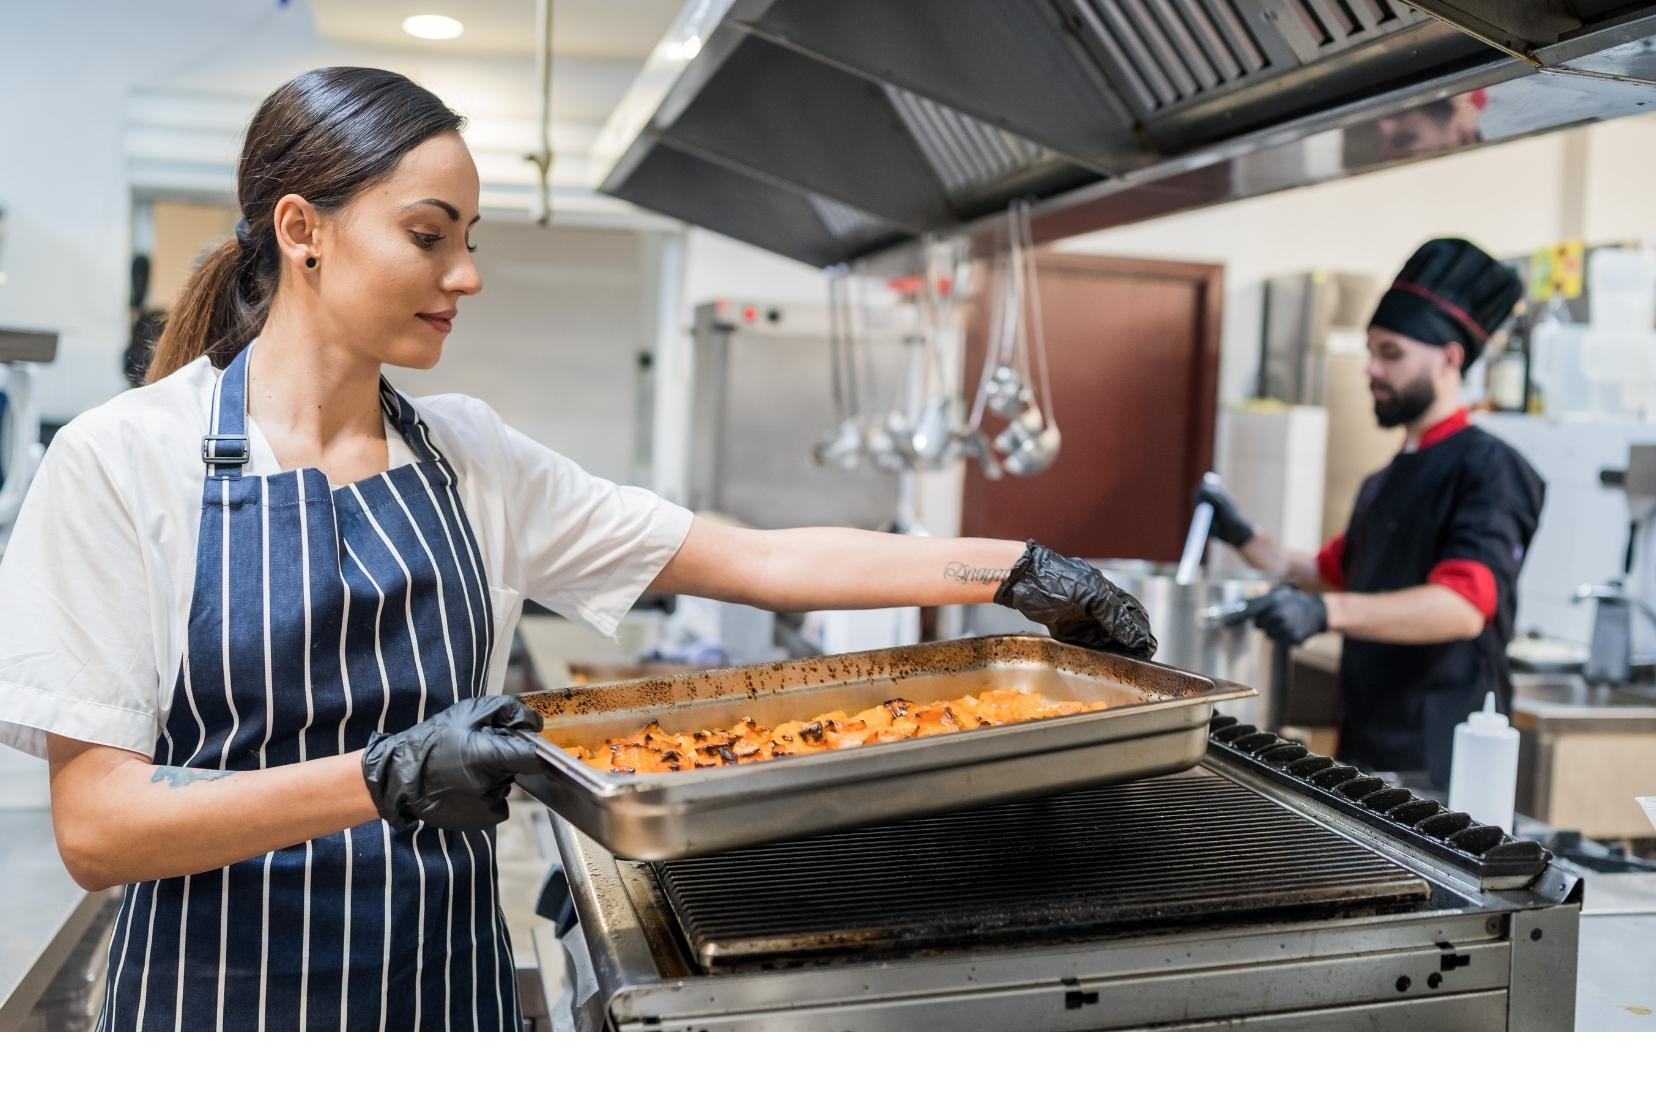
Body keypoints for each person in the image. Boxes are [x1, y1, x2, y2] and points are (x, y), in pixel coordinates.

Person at [0, 67, 1153, 1032]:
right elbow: (101, 828)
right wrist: (384, 777)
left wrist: (1014, 568)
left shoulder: (468, 456)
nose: (468, 275)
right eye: (427, 236)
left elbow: (755, 559)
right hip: (218, 1018)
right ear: (302, 230)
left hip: (440, 999)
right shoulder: (120, 462)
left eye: (469, 239)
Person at [1197, 237, 1544, 786]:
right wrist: (1242, 534)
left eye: (1391, 354)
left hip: (1441, 761)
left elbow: (1461, 606)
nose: (1371, 370)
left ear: (1450, 358)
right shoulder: (1385, 479)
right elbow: (1328, 574)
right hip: (1368, 742)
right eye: (1370, 351)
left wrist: (1326, 615)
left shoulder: (1489, 469)